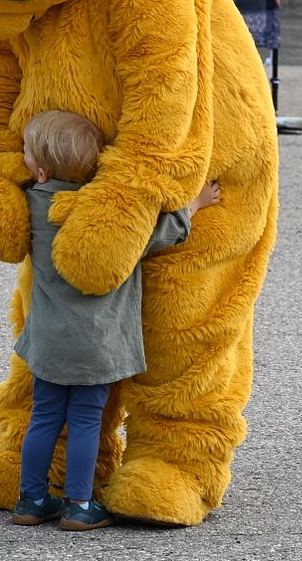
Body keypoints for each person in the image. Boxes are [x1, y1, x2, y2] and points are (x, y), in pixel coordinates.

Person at [12, 109, 221, 531]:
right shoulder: (106, 214)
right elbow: (154, 234)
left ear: (42, 170)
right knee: (88, 421)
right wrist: (193, 206)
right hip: (98, 345)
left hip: (50, 343)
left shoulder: (34, 205)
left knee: (44, 418)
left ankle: (31, 500)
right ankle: (79, 503)